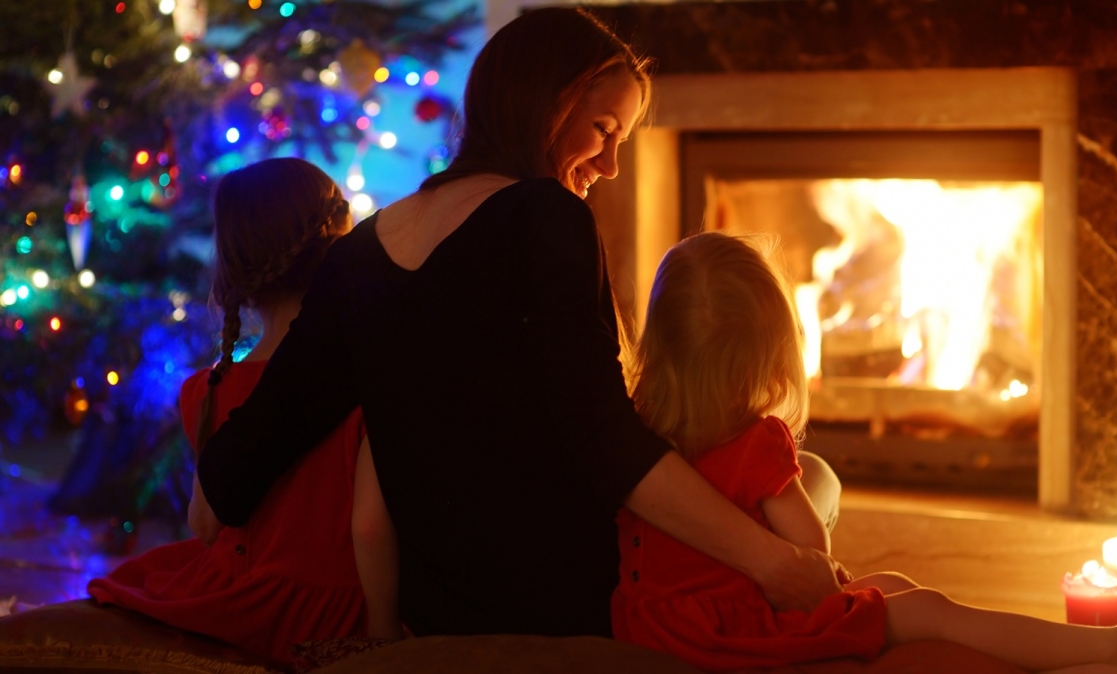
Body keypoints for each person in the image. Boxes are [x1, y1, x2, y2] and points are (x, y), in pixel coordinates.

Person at [190, 6, 848, 641]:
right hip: (576, 595)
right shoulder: (544, 215)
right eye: (603, 129)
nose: (611, 164)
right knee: (809, 476)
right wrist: (775, 564)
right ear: (551, 102)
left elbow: (245, 456)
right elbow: (605, 440)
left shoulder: (358, 255)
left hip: (439, 607)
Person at [612, 231, 1117, 674]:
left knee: (887, 584)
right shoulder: (756, 443)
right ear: (769, 356)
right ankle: (1103, 645)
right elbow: (812, 550)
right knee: (931, 610)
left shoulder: (638, 434)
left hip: (655, 631)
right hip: (739, 637)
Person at [88, 158, 403, 665]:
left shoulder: (205, 389)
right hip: (332, 611)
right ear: (339, 246)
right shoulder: (368, 379)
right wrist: (387, 633)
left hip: (234, 596)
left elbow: (204, 524)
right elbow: (370, 528)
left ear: (236, 271)